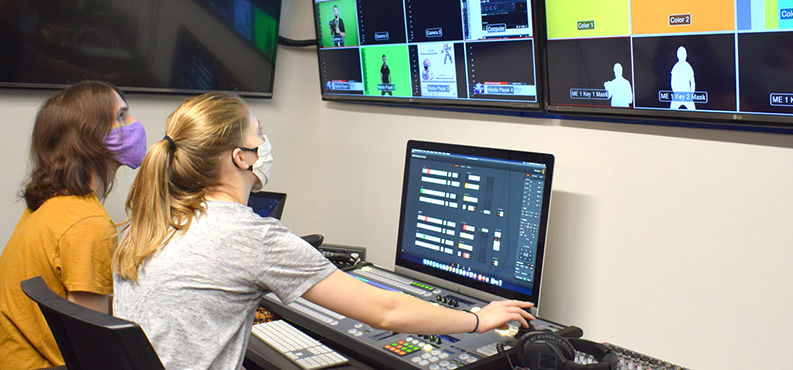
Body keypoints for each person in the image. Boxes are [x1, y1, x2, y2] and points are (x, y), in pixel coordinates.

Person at [112, 93, 533, 370]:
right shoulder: (249, 236)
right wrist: (477, 319)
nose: (266, 143)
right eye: (260, 134)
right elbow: (385, 312)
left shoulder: (156, 219)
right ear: (241, 158)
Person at [0, 81, 146, 369]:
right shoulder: (88, 224)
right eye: (121, 116)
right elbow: (93, 350)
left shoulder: (53, 204)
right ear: (89, 137)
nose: (134, 124)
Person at [670, 46, 696, 110]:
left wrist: (691, 94)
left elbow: (692, 82)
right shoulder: (676, 67)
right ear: (677, 55)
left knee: (695, 114)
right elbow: (672, 82)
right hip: (677, 95)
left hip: (687, 95)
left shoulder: (688, 66)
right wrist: (675, 93)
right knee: (669, 113)